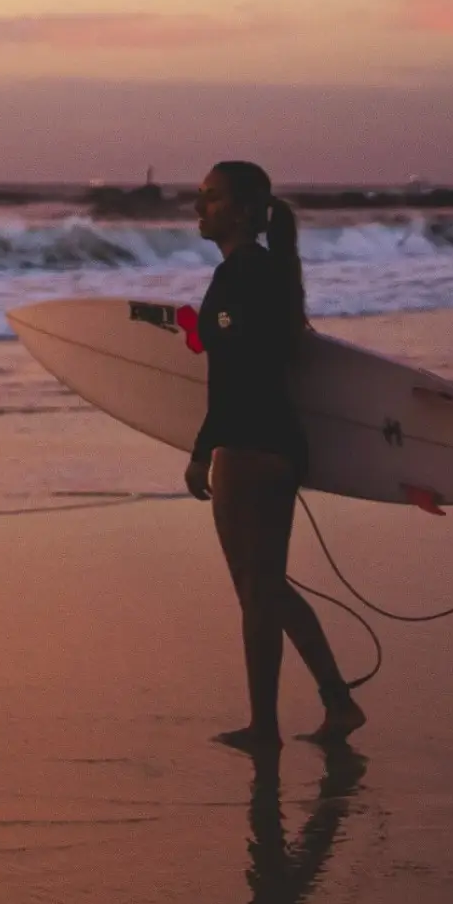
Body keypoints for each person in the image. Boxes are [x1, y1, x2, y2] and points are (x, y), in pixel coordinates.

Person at [183, 161, 365, 755]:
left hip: (249, 448)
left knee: (257, 592)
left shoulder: (243, 277)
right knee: (267, 588)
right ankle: (337, 701)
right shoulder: (261, 273)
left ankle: (266, 729)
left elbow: (235, 377)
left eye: (210, 199)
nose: (198, 208)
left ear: (240, 209)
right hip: (274, 446)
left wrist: (203, 450)